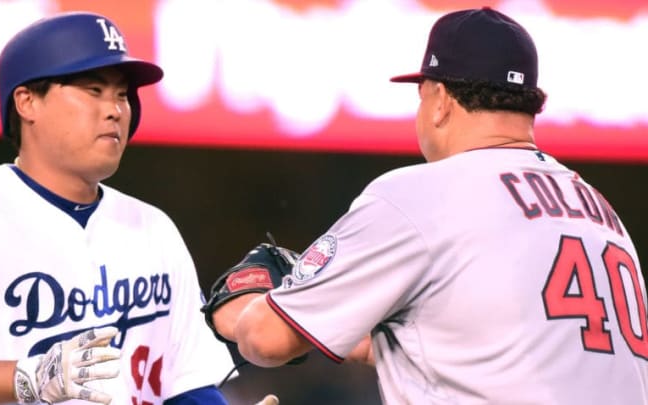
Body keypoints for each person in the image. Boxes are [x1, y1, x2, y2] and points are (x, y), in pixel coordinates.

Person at [208, 7, 648, 404]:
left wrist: (250, 310)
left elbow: (266, 340)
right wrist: (326, 310)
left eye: (421, 96)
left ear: (439, 101)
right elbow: (473, 347)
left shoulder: (419, 195)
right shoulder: (599, 209)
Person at [0, 11, 236, 404]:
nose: (115, 110)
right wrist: (29, 376)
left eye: (122, 95)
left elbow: (189, 384)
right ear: (27, 102)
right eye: (93, 90)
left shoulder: (153, 227)